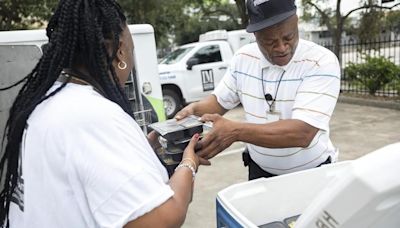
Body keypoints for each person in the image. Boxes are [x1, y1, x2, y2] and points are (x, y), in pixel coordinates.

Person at [0, 0, 208, 227]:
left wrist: (139, 153)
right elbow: (161, 219)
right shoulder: (92, 116)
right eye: (131, 51)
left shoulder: (47, 99)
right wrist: (188, 163)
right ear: (120, 53)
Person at [176, 0, 341, 180]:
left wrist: (235, 131)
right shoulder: (243, 58)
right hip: (259, 172)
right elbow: (218, 102)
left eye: (289, 37)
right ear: (255, 35)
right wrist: (193, 110)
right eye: (269, 42)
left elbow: (302, 133)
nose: (281, 48)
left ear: (296, 21)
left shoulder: (320, 61)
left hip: (311, 174)